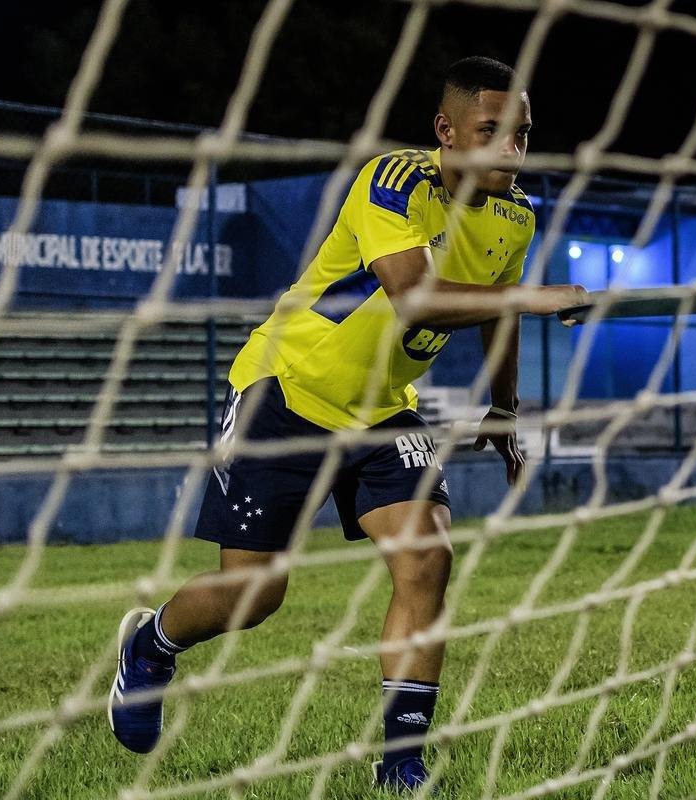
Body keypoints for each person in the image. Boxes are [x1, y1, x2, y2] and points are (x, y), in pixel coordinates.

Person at [108, 55, 587, 792]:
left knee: (427, 556)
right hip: (287, 389)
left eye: (522, 135)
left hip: (383, 409)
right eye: (491, 131)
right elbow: (418, 298)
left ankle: (400, 766)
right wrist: (530, 298)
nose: (511, 151)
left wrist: (503, 408)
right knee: (256, 595)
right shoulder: (393, 182)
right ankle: (150, 646)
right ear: (447, 131)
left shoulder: (515, 215)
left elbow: (495, 312)